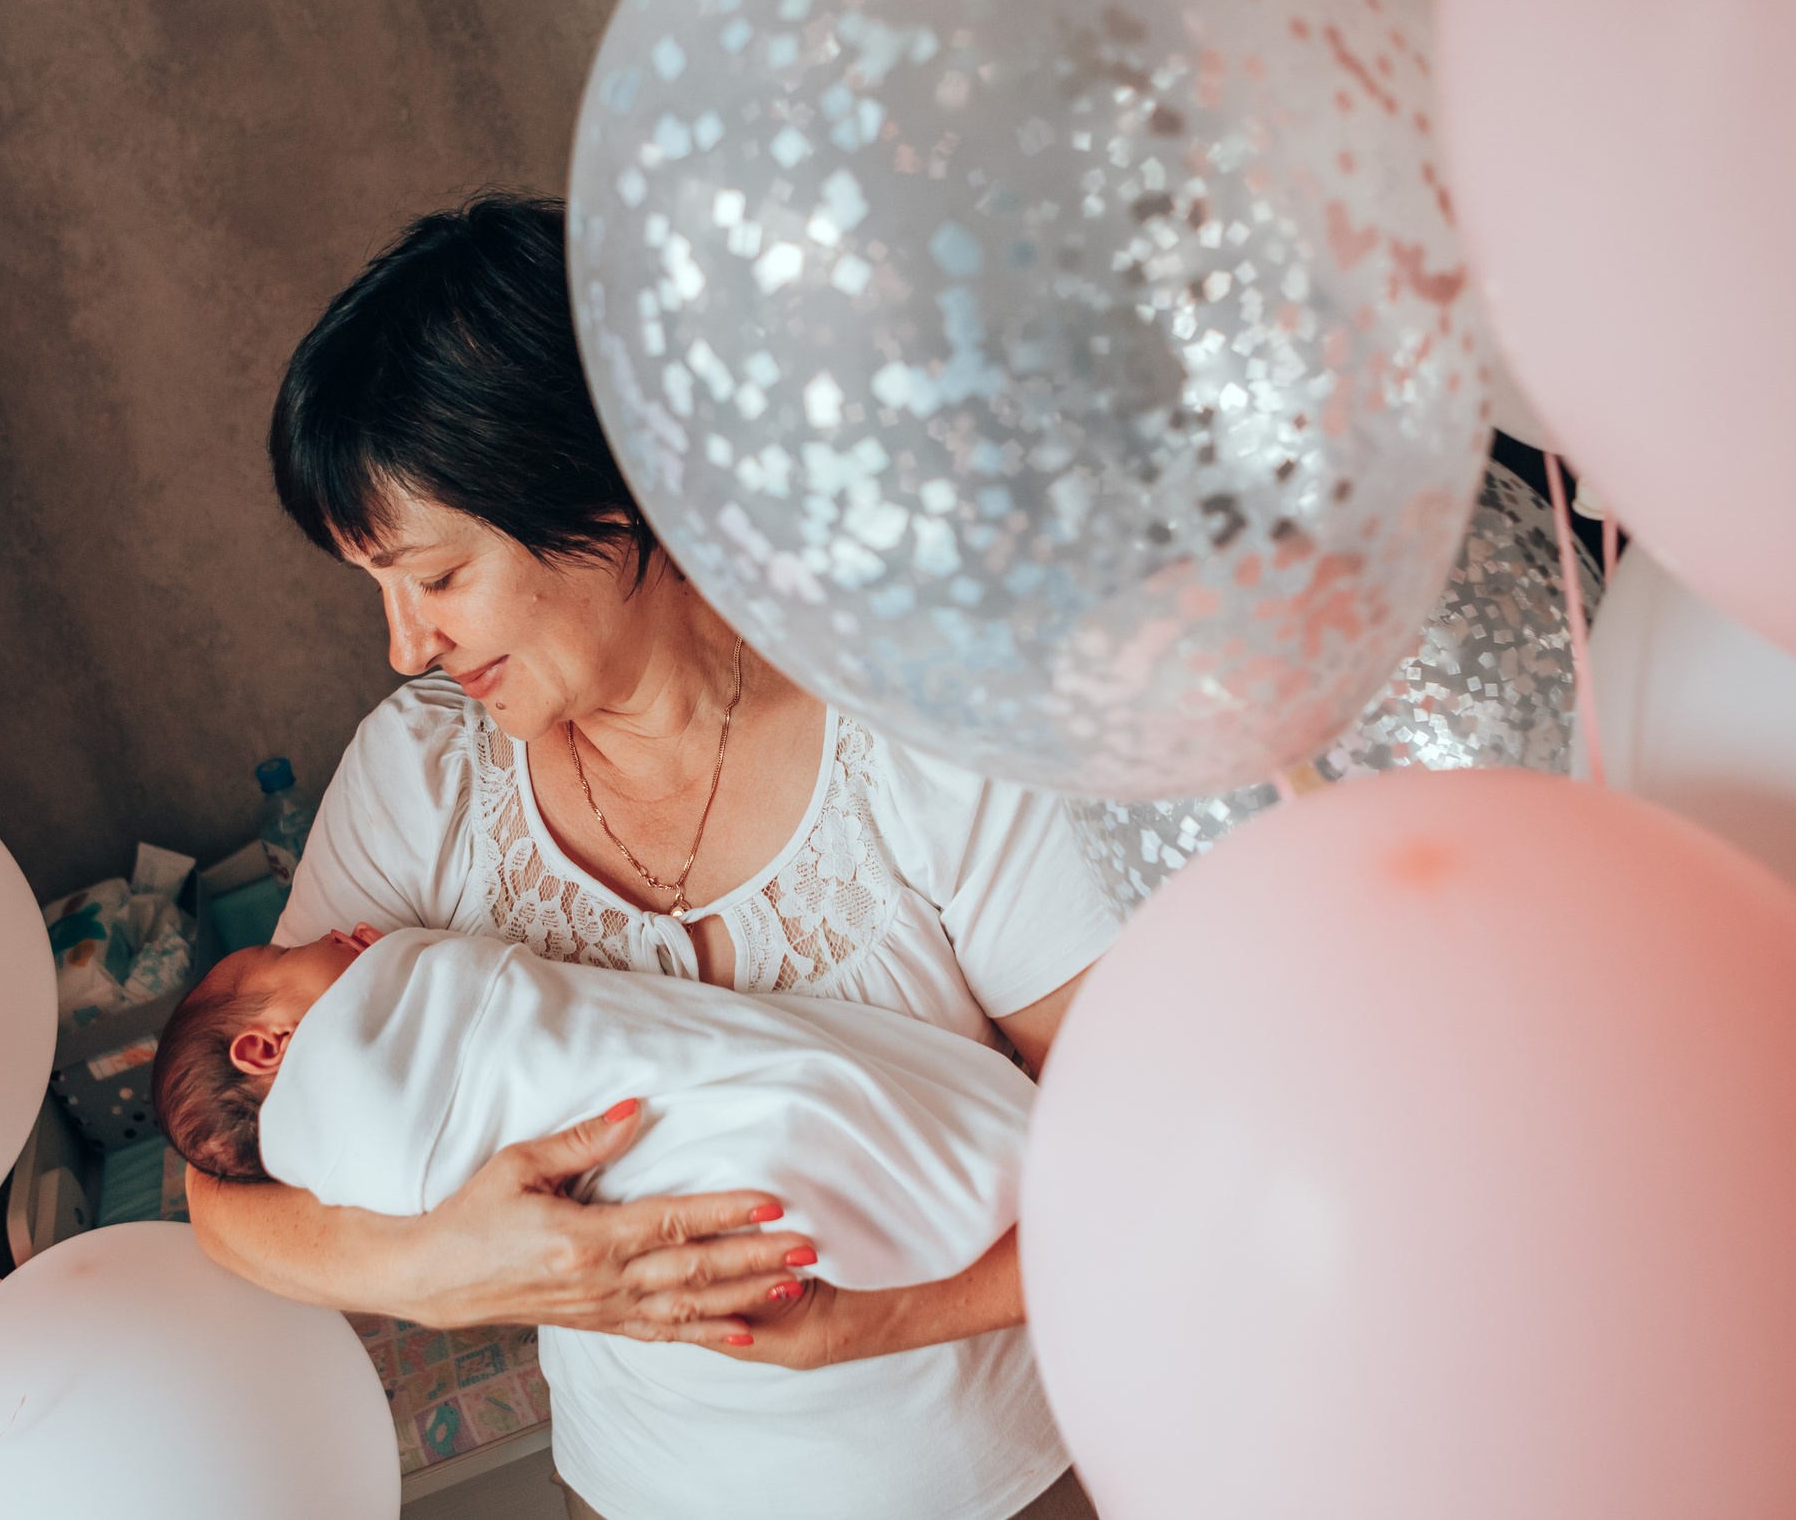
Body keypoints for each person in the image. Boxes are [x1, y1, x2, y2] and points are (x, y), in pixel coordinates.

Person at [191, 191, 1117, 1520]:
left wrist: (872, 1320)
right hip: (633, 1492)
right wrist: (446, 1268)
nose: (406, 644)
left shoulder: (920, 733)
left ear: (601, 484)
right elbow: (225, 1191)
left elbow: (1143, 1153)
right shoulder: (422, 777)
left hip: (1000, 1479)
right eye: (379, 590)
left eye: (437, 577)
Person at [148, 921, 1032, 1292]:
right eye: (286, 950)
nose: (331, 935)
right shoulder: (338, 1101)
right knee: (780, 1120)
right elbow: (231, 1213)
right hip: (659, 1442)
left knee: (792, 1084)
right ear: (264, 1046)